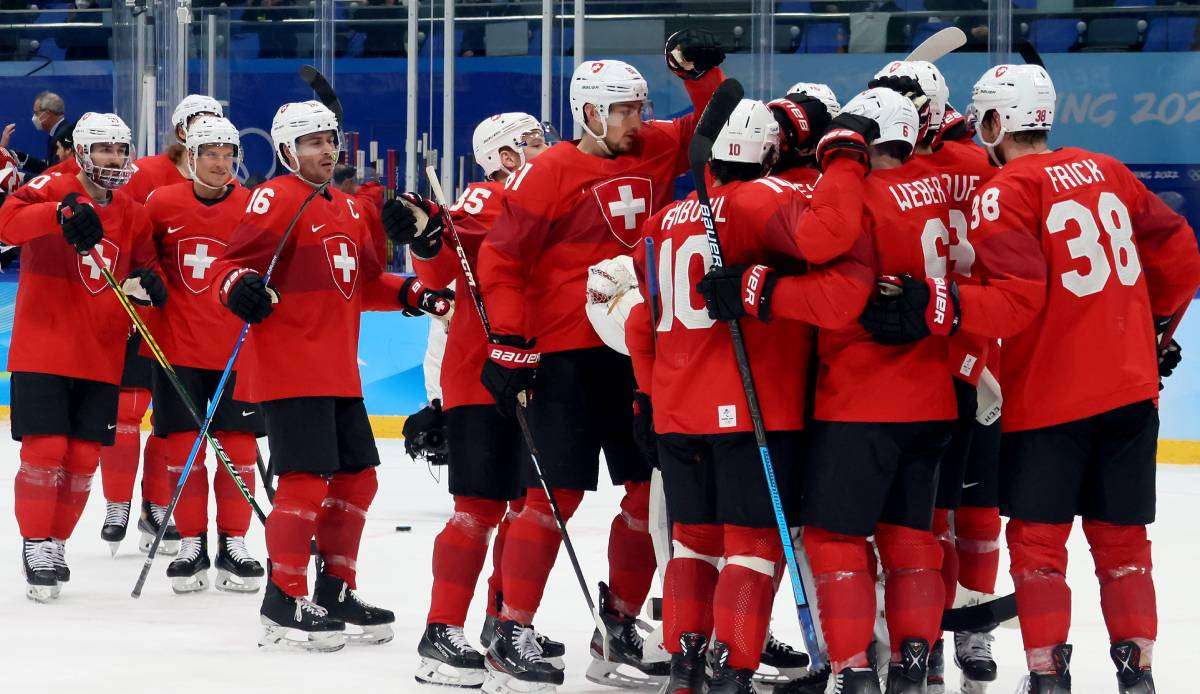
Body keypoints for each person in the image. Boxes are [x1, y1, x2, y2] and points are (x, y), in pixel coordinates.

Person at [474, 29, 726, 692]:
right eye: (622, 111)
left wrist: (702, 71)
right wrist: (509, 339)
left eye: (640, 108)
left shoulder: (652, 147)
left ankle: (617, 626)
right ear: (588, 113)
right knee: (555, 494)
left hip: (635, 351)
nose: (636, 122)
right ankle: (511, 630)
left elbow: (718, 121)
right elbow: (499, 259)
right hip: (564, 357)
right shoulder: (548, 171)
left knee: (647, 495)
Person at [966, 63, 1200, 693]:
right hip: (1129, 389)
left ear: (996, 121)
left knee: (1040, 544)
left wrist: (943, 301)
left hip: (1049, 395)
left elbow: (1016, 302)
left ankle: (1047, 676)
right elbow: (1180, 251)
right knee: (1123, 542)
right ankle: (1138, 672)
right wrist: (1156, 332)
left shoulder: (1005, 190)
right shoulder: (1108, 169)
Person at [626, 98, 874, 694]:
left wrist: (646, 394)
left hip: (677, 408)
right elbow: (828, 236)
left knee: (693, 542)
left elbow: (642, 317)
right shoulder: (762, 198)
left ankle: (686, 664)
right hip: (754, 406)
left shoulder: (666, 220)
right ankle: (732, 669)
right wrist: (844, 161)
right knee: (753, 547)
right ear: (767, 152)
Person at [209, 99, 450, 651]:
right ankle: (283, 596)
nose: (326, 150)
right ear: (288, 151)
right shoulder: (276, 197)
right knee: (304, 482)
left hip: (339, 370)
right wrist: (235, 286)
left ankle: (336, 588)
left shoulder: (345, 207)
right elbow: (229, 264)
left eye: (329, 139)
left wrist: (418, 294)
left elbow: (363, 284)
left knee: (358, 478)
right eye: (313, 141)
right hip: (290, 368)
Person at [790, 88, 959, 694]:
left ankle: (854, 671)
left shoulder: (857, 192)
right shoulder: (937, 183)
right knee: (912, 539)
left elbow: (819, 252)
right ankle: (916, 665)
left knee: (835, 539)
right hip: (933, 396)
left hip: (861, 397)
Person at [868, 59, 1003, 693]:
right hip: (912, 361)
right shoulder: (891, 166)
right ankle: (919, 633)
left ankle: (968, 624)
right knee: (922, 516)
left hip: (968, 352)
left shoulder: (969, 166)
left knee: (972, 509)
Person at [407, 112, 551, 689]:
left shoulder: (550, 200)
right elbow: (441, 264)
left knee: (527, 508)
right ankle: (441, 630)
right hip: (482, 376)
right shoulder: (483, 197)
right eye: (535, 143)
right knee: (478, 510)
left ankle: (502, 622)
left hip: (538, 374)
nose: (549, 150)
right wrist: (425, 233)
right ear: (507, 156)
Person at [0, 112, 165, 602]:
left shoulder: (132, 210)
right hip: (44, 347)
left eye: (121, 150)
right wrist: (58, 213)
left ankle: (56, 543)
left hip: (101, 350)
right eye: (105, 150)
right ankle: (35, 544)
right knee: (45, 451)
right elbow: (6, 222)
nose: (115, 159)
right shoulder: (54, 185)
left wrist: (148, 283)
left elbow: (144, 264)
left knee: (82, 458)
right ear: (82, 152)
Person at [142, 115, 267, 594]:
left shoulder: (253, 205)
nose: (220, 163)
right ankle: (192, 540)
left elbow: (271, 260)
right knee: (183, 452)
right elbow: (140, 252)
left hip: (237, 350)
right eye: (210, 154)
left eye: (227, 154)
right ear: (190, 158)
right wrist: (145, 274)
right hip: (177, 350)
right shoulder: (162, 202)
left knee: (238, 449)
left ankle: (234, 542)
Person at [99, 93, 222, 557]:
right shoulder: (148, 173)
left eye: (215, 124)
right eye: (198, 123)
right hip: (145, 312)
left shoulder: (223, 177)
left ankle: (157, 504)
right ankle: (117, 503)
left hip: (197, 326)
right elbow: (118, 228)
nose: (207, 131)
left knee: (173, 426)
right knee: (129, 410)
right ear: (180, 131)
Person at [31, 91, 69, 164]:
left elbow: (55, 172)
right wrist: (21, 158)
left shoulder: (62, 138)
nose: (34, 117)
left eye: (36, 113)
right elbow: (49, 166)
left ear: (47, 113)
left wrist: (21, 175)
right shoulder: (56, 132)